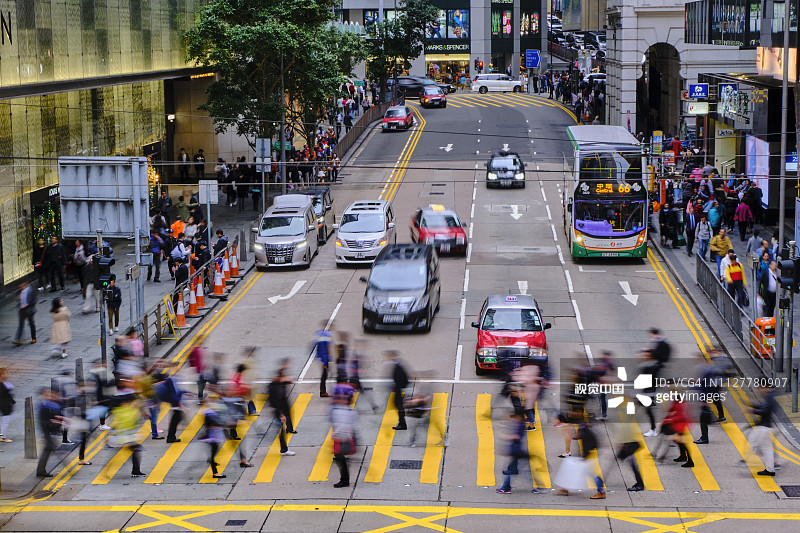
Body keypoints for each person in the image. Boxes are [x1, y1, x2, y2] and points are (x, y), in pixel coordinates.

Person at [746, 386, 778, 476]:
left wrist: (752, 410)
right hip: (766, 426)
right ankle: (770, 469)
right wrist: (751, 406)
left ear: (765, 387)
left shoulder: (771, 397)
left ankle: (770, 469)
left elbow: (765, 410)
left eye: (760, 388)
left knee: (764, 447)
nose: (760, 391)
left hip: (766, 427)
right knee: (767, 448)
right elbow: (763, 407)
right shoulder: (771, 396)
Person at [330, 383, 357, 488]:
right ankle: (344, 480)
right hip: (342, 437)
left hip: (341, 438)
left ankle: (344, 481)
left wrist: (336, 435)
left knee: (340, 460)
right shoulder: (347, 410)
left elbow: (342, 426)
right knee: (339, 460)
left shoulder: (341, 411)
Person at [268, 365, 296, 457]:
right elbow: (274, 403)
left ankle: (284, 448)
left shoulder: (279, 384)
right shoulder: (274, 388)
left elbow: (290, 379)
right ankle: (284, 449)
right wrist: (281, 414)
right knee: (281, 431)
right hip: (279, 412)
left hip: (284, 410)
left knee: (281, 431)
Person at [199, 396, 227, 479]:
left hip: (213, 436)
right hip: (212, 437)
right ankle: (215, 473)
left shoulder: (209, 412)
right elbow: (209, 426)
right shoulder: (209, 414)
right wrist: (220, 424)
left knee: (213, 451)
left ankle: (212, 461)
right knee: (213, 453)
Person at [386, 350, 410, 430]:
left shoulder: (398, 366)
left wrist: (399, 387)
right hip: (398, 390)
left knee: (399, 407)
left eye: (390, 356)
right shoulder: (397, 365)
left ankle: (403, 424)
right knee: (398, 406)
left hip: (399, 391)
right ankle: (402, 423)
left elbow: (404, 379)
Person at [13, 281, 37, 345]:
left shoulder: (31, 290)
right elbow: (17, 299)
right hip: (22, 310)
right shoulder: (19, 291)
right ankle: (18, 339)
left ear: (25, 284)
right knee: (21, 324)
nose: (20, 287)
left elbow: (34, 301)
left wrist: (27, 305)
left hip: (29, 310)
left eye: (21, 286)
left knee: (31, 324)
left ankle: (33, 338)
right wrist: (18, 298)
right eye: (20, 286)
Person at [315, 324, 333, 397]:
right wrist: (325, 362)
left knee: (325, 375)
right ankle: (323, 392)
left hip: (323, 359)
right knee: (324, 376)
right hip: (324, 360)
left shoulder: (321, 336)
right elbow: (324, 351)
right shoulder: (326, 337)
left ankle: (323, 391)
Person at [0, 368, 15, 443]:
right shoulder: (2, 385)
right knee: (5, 422)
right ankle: (2, 437)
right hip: (4, 405)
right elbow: (6, 394)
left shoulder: (4, 383)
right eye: (4, 373)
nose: (6, 375)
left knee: (5, 421)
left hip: (6, 404)